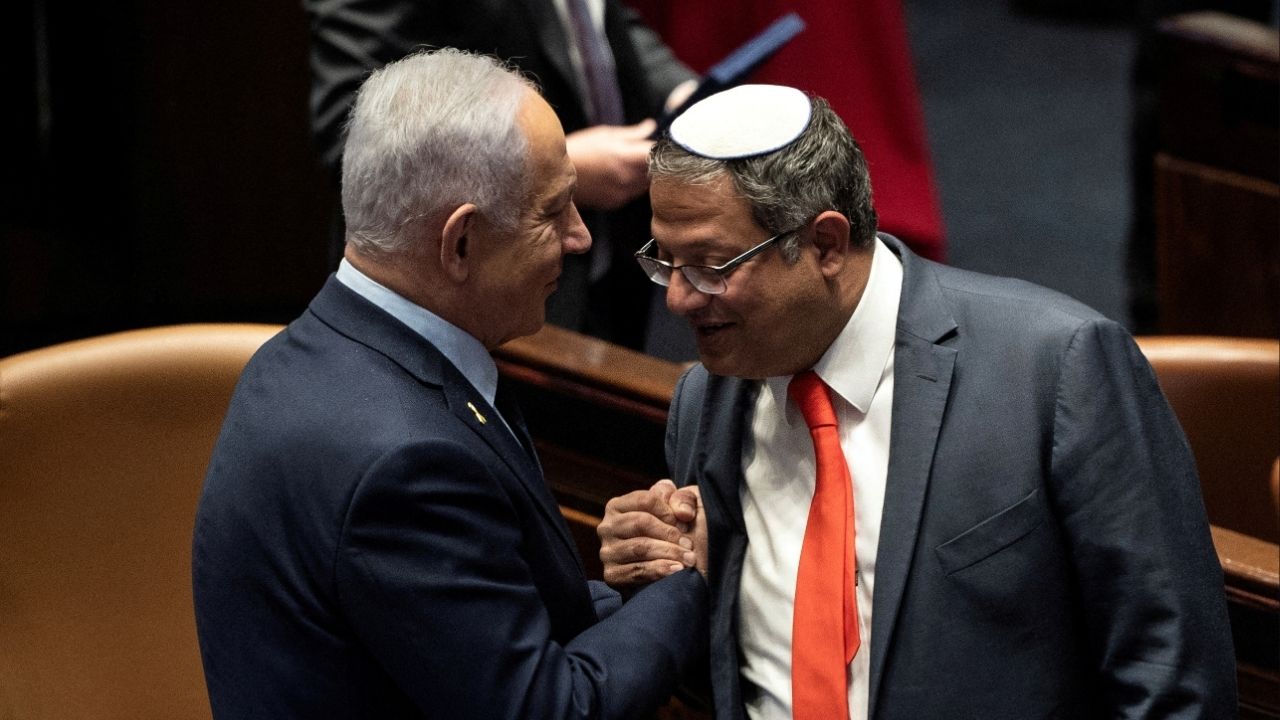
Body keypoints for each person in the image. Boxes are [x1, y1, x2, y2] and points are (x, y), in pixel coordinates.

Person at [596, 84, 1236, 718]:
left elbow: (1174, 681)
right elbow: (740, 678)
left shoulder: (1055, 369)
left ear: (824, 244)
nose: (678, 299)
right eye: (666, 262)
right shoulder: (705, 401)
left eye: (711, 265)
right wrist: (664, 587)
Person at [192, 48, 706, 719]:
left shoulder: (307, 353)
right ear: (460, 243)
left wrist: (646, 579)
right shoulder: (403, 464)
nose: (579, 238)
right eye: (554, 213)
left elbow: (472, 624)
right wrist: (700, 575)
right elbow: (552, 710)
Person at [303, 0, 698, 352]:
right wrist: (558, 168)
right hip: (457, 312)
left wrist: (678, 90)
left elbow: (599, 19)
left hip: (603, 278)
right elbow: (357, 136)